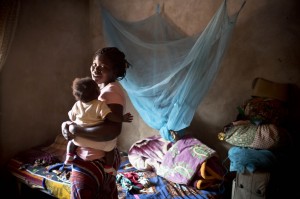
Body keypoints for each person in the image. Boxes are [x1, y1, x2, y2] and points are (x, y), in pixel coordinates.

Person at [61, 47, 131, 199]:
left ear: (115, 72)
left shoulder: (110, 92)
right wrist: (66, 125)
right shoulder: (99, 88)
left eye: (103, 67)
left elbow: (112, 130)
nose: (96, 69)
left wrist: (75, 130)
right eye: (94, 64)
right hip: (99, 158)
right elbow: (85, 117)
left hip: (93, 159)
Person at [64, 76, 133, 170]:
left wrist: (68, 125)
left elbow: (71, 117)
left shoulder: (77, 105)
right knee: (110, 148)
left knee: (71, 142)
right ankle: (108, 167)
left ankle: (69, 156)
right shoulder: (99, 105)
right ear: (97, 92)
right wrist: (122, 118)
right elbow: (110, 116)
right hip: (97, 142)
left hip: (79, 139)